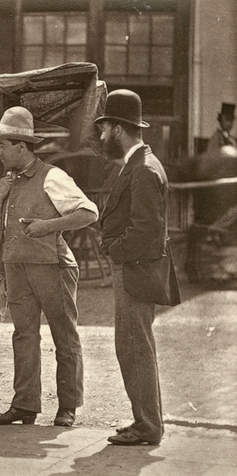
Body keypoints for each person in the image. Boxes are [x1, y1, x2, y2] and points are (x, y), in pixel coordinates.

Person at [0, 106, 98, 427]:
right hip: (17, 267)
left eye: (2, 145)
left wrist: (48, 226)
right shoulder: (7, 182)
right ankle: (25, 405)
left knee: (64, 335)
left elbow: (89, 213)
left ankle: (68, 406)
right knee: (24, 335)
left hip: (52, 266)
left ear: (21, 146)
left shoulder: (53, 176)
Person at [95, 89, 181, 446]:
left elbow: (144, 232)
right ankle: (145, 420)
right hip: (137, 270)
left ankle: (147, 425)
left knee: (134, 347)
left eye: (104, 129)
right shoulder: (141, 164)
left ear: (118, 128)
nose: (101, 137)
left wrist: (113, 249)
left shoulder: (143, 170)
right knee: (133, 346)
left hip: (135, 270)